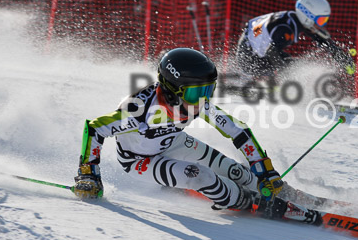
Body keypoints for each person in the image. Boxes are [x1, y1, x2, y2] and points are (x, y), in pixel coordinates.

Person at [73, 47, 317, 221]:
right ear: (172, 89)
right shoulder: (139, 109)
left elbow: (238, 130)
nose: (202, 100)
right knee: (201, 175)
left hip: (173, 142)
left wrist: (263, 169)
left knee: (235, 171)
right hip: (140, 160)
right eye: (195, 93)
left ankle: (277, 191)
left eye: (208, 90)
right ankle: (244, 201)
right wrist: (89, 173)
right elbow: (95, 128)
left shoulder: (198, 102)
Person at [235, 0, 355, 79]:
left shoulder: (294, 20)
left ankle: (268, 84)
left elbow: (320, 39)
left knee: (291, 63)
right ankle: (264, 85)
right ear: (307, 15)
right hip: (249, 59)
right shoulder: (285, 28)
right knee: (293, 66)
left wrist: (341, 56)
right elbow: (271, 52)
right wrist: (286, 78)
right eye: (320, 20)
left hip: (253, 53)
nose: (321, 25)